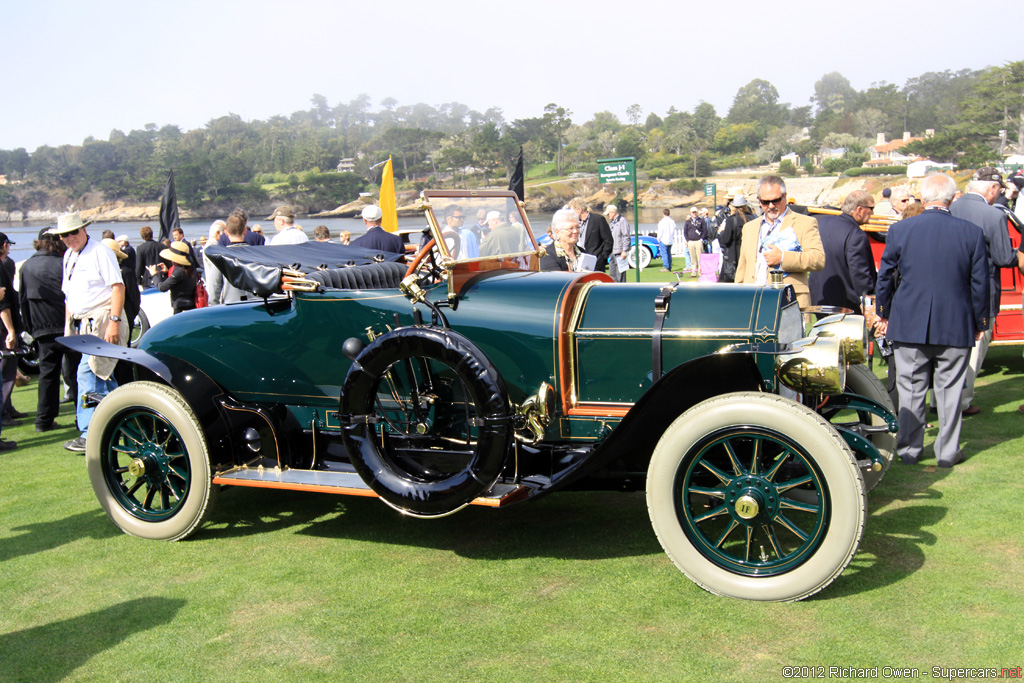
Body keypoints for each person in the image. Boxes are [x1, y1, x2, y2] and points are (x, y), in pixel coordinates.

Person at [874, 173, 989, 468]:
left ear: (923, 199)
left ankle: (910, 449)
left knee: (911, 389)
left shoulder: (902, 230)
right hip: (955, 321)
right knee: (950, 391)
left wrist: (883, 312)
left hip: (910, 320)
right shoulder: (970, 232)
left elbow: (885, 275)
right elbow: (980, 283)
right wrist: (980, 321)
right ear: (952, 198)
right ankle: (947, 452)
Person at [52, 211, 128, 453]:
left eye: (73, 232)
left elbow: (118, 287)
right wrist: (69, 325)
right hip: (84, 322)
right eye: (65, 234)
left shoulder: (100, 252)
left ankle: (89, 433)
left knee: (89, 373)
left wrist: (114, 322)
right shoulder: (68, 255)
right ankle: (125, 424)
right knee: (103, 377)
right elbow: (69, 295)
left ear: (84, 230)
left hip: (103, 320)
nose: (69, 237)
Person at [946, 167, 1018, 415]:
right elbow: (1004, 258)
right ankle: (962, 402)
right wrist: (1018, 254)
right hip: (982, 290)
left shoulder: (951, 208)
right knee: (975, 348)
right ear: (993, 188)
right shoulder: (992, 215)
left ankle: (939, 400)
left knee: (946, 348)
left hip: (950, 288)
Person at [734, 175, 825, 311]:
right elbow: (743, 267)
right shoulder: (749, 227)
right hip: (753, 303)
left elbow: (817, 259)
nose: (771, 206)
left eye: (776, 200)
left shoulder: (805, 223)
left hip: (790, 303)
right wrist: (737, 297)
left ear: (785, 197)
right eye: (765, 202)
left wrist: (783, 258)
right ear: (759, 201)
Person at [18, 228, 67, 435]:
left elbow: (23, 300)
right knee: (75, 374)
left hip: (42, 328)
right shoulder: (63, 263)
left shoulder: (27, 266)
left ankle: (43, 420)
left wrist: (30, 329)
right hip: (66, 325)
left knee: (48, 375)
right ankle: (82, 421)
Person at [808, 190, 877, 312]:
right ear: (859, 210)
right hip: (845, 303)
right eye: (871, 208)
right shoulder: (856, 234)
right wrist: (870, 295)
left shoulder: (824, 223)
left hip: (818, 297)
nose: (872, 212)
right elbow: (859, 274)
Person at [0, 233, 24, 434]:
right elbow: (3, 303)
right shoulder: (3, 266)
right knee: (6, 370)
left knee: (8, 369)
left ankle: (8, 409)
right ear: (5, 246)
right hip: (3, 327)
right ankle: (4, 413)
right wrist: (11, 330)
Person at [148, 242, 197, 314]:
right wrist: (166, 273)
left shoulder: (179, 271)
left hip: (180, 307)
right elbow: (177, 282)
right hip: (191, 305)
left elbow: (162, 287)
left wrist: (154, 275)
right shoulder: (190, 268)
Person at [569, 197, 613, 272]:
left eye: (572, 211)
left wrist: (602, 259)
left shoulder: (598, 220)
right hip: (578, 263)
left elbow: (608, 241)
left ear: (579, 210)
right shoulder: (575, 223)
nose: (571, 214)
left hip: (596, 263)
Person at [717, 194, 752, 283]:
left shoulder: (731, 220)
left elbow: (726, 240)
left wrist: (721, 232)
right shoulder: (752, 218)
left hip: (734, 258)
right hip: (749, 256)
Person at [606, 203, 630, 282]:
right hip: (612, 251)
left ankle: (622, 291)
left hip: (620, 251)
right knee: (612, 274)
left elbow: (626, 236)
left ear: (613, 212)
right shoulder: (612, 222)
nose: (607, 215)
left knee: (621, 275)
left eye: (608, 213)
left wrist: (624, 250)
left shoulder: (622, 221)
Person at [683, 208, 706, 275]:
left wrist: (702, 239)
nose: (694, 213)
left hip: (698, 241)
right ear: (690, 213)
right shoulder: (688, 222)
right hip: (691, 241)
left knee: (700, 257)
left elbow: (705, 230)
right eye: (693, 212)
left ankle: (701, 271)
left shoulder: (701, 221)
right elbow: (685, 232)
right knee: (692, 258)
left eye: (695, 212)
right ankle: (694, 272)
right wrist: (688, 240)